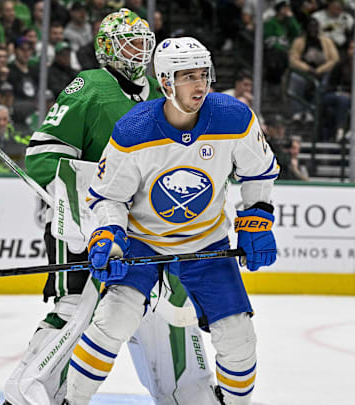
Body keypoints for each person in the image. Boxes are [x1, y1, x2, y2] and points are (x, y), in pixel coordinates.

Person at [8, 9, 219, 405]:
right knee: (78, 310)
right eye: (130, 43)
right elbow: (42, 158)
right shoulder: (89, 85)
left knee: (168, 311)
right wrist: (99, 209)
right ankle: (31, 395)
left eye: (145, 42)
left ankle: (189, 393)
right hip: (83, 227)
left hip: (147, 234)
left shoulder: (161, 95)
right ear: (107, 48)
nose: (140, 51)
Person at [62, 36, 278, 405]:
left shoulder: (233, 117)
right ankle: (71, 401)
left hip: (206, 244)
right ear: (165, 82)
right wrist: (109, 236)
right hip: (142, 241)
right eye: (188, 76)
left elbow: (259, 173)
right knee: (112, 322)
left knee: (238, 335)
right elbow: (107, 195)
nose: (200, 85)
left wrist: (257, 217)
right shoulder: (134, 131)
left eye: (204, 74)